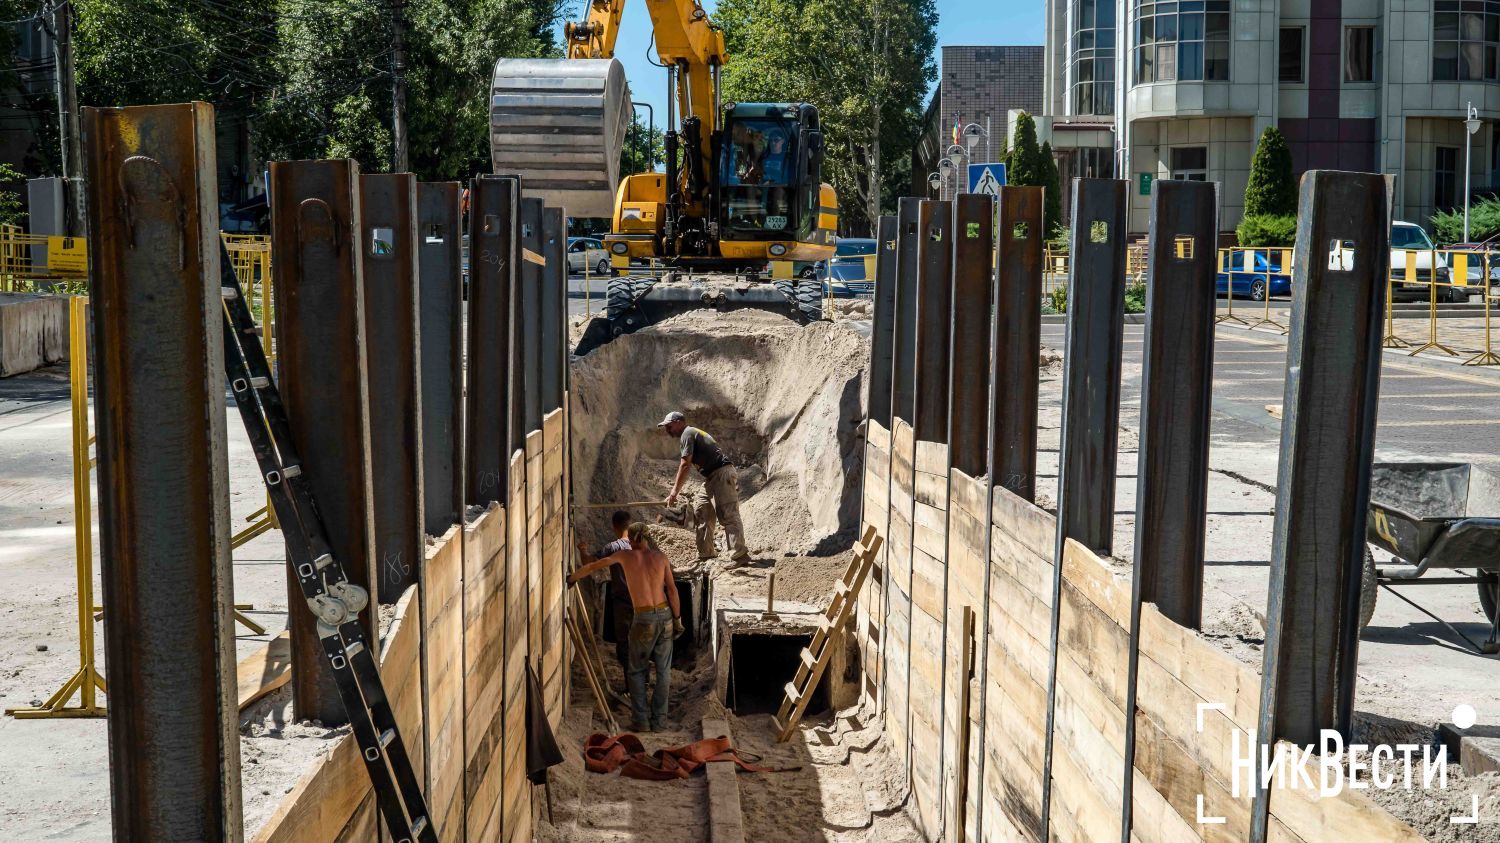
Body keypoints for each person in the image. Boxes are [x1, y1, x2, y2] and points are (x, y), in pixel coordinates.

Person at [568, 522, 683, 731]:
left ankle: (641, 721)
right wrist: (677, 619)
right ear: (647, 538)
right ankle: (659, 722)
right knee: (664, 671)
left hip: (643, 619)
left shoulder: (624, 556)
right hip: (665, 615)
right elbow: (673, 591)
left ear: (630, 540)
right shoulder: (661, 557)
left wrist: (572, 578)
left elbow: (594, 566)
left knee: (637, 670)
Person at [659, 411, 752, 566]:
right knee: (702, 511)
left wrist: (674, 493)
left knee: (728, 514)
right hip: (711, 477)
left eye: (669, 426)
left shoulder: (687, 433)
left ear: (678, 422)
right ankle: (706, 554)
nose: (667, 430)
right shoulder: (690, 433)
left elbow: (685, 464)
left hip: (721, 473)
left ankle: (739, 555)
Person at [575, 510, 634, 694]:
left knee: (625, 645)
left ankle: (631, 688)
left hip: (624, 603)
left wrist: (582, 549)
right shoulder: (640, 546)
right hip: (644, 602)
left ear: (614, 526)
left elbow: (589, 563)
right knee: (640, 644)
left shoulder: (614, 547)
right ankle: (642, 682)